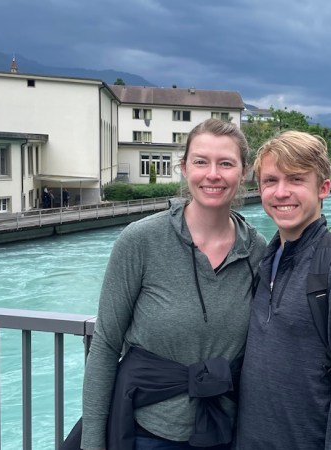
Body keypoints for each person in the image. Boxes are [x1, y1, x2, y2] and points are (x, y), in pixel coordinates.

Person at [79, 118, 265, 450]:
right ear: (183, 168)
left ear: (243, 172)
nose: (213, 174)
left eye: (226, 163)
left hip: (227, 429)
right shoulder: (141, 241)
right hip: (148, 434)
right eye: (201, 162)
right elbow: (106, 345)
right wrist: (92, 443)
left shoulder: (257, 251)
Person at [236, 131, 331, 449]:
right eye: (270, 181)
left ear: (323, 188)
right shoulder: (265, 258)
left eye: (296, 179)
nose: (281, 192)